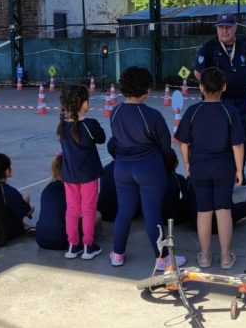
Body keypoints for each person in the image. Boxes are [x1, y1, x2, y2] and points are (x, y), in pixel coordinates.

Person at [109, 66, 187, 270]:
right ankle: (161, 258)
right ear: (146, 89)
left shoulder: (115, 111)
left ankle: (117, 253)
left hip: (122, 168)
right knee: (152, 213)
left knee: (124, 210)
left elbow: (115, 140)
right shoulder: (152, 115)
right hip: (148, 168)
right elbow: (165, 146)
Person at [175, 67, 245, 270]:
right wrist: (239, 170)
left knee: (203, 211)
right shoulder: (230, 111)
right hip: (224, 168)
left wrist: (187, 162)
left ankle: (205, 257)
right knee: (224, 212)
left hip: (200, 168)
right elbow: (237, 144)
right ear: (224, 87)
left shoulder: (192, 111)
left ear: (201, 87)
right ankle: (225, 257)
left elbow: (183, 142)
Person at [194, 13, 246, 185]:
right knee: (222, 141)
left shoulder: (244, 45)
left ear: (235, 27)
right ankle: (227, 174)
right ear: (217, 29)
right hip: (219, 103)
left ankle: (238, 170)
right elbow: (198, 73)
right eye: (221, 27)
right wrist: (213, 92)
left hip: (241, 102)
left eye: (228, 27)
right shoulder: (209, 47)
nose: (225, 31)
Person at [58, 84, 106, 260]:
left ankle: (73, 246)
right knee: (88, 210)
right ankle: (88, 245)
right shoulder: (89, 125)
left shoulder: (62, 126)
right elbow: (101, 138)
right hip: (88, 175)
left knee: (72, 210)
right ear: (84, 104)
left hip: (69, 175)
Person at [37, 153, 103, 251]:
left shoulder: (47, 188)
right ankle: (86, 242)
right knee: (96, 215)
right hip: (64, 241)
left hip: (41, 239)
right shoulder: (74, 190)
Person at [0, 153, 35, 247]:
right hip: (5, 233)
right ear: (7, 171)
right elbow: (25, 211)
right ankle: (23, 226)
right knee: (25, 198)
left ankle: (22, 225)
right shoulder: (9, 191)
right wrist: (29, 209)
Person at [162, 149, 190, 224]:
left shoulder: (154, 179)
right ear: (176, 163)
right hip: (177, 217)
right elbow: (186, 198)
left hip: (159, 217)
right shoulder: (179, 179)